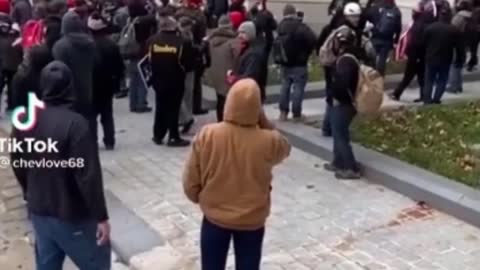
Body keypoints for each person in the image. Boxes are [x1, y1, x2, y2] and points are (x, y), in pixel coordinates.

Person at [10, 61, 111, 270]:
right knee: (98, 263)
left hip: (40, 210)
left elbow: (17, 162)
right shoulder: (76, 124)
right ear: (70, 87)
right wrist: (101, 217)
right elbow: (88, 177)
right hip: (72, 214)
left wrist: (29, 191)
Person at [183, 78, 290, 270]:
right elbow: (285, 147)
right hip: (252, 220)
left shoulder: (208, 135)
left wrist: (200, 197)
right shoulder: (268, 141)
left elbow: (191, 179)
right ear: (257, 108)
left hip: (214, 217)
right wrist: (263, 121)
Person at [318, 2, 365, 137]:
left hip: (332, 65)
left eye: (357, 16)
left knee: (332, 97)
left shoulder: (336, 25)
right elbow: (344, 51)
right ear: (347, 16)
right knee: (335, 98)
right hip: (336, 67)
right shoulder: (344, 31)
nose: (356, 19)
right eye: (354, 16)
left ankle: (327, 127)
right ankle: (331, 127)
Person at [323, 27, 361, 179]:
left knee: (340, 136)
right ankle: (338, 162)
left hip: (344, 104)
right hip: (343, 102)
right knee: (337, 133)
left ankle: (351, 168)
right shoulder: (348, 57)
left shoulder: (346, 60)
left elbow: (342, 83)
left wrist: (336, 97)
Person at [149, 16, 192, 147]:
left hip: (158, 79)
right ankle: (173, 136)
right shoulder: (182, 42)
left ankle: (158, 134)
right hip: (175, 80)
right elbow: (187, 64)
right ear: (175, 26)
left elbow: (147, 60)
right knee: (174, 108)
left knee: (160, 106)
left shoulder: (152, 41)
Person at [53, 9, 97, 128]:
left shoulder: (60, 46)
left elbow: (58, 70)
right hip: (88, 88)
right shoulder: (90, 43)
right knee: (88, 119)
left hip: (68, 91)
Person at [89, 13, 125, 150]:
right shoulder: (111, 45)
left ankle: (92, 140)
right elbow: (119, 66)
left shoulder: (88, 45)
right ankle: (109, 140)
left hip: (92, 84)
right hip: (108, 84)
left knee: (92, 116)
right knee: (107, 114)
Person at [276, 4, 316, 122]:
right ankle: (296, 114)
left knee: (285, 86)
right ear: (294, 13)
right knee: (298, 88)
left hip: (284, 62)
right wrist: (307, 52)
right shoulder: (300, 26)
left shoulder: (280, 26)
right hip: (299, 62)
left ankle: (283, 113)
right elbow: (313, 39)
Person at [422, 9, 464, 104]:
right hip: (445, 59)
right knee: (442, 80)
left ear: (439, 16)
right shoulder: (454, 30)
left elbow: (423, 43)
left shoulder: (430, 28)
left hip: (431, 58)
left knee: (429, 79)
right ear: (450, 17)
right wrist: (460, 60)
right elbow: (459, 48)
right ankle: (436, 99)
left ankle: (427, 100)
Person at [175, 0, 209, 114]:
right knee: (196, 81)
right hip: (195, 51)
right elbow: (203, 35)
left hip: (179, 53)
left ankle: (185, 108)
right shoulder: (200, 16)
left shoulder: (178, 13)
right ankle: (195, 107)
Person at [390, 7, 427, 101]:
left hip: (415, 56)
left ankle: (396, 94)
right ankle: (423, 96)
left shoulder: (416, 26)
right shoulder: (422, 24)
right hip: (421, 56)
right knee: (421, 78)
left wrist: (408, 52)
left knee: (408, 77)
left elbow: (414, 42)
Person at [126, 0, 156, 113]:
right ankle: (141, 104)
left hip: (131, 51)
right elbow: (155, 16)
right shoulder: (144, 21)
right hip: (142, 52)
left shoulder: (129, 20)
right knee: (143, 78)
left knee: (133, 79)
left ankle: (132, 104)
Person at [206, 15, 237, 121]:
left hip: (215, 73)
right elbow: (237, 57)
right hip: (229, 74)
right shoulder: (233, 40)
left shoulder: (211, 39)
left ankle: (220, 120)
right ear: (230, 25)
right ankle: (227, 121)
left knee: (219, 98)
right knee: (228, 99)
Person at [228, 21, 267, 102]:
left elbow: (250, 76)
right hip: (250, 92)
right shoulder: (248, 49)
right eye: (239, 32)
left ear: (250, 33)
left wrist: (233, 78)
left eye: (243, 32)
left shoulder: (254, 53)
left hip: (251, 94)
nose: (239, 35)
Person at [366, 0, 401, 76]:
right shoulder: (395, 10)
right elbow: (398, 28)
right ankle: (380, 79)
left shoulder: (375, 7)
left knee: (371, 58)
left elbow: (366, 17)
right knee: (382, 60)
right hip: (387, 39)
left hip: (374, 37)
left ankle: (370, 77)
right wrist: (396, 41)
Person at [448, 0, 473, 93]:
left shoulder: (459, 16)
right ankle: (459, 85)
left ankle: (453, 86)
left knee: (454, 65)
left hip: (457, 43)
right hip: (467, 43)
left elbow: (452, 29)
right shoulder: (471, 16)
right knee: (460, 65)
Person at [177, 16, 197, 133]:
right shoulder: (184, 36)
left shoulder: (187, 35)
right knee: (185, 94)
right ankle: (186, 118)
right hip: (187, 68)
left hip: (187, 68)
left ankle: (186, 117)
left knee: (187, 94)